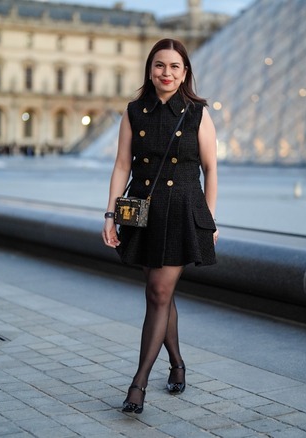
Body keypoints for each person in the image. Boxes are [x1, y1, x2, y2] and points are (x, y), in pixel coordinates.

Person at [102, 38, 219, 414]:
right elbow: (122, 165)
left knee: (158, 291)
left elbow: (211, 169)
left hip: (183, 211)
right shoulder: (134, 111)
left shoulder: (197, 112)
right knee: (160, 295)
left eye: (174, 66)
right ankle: (178, 363)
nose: (166, 73)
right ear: (150, 70)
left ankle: (138, 384)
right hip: (142, 211)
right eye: (159, 65)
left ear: (185, 73)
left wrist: (209, 219)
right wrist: (110, 214)